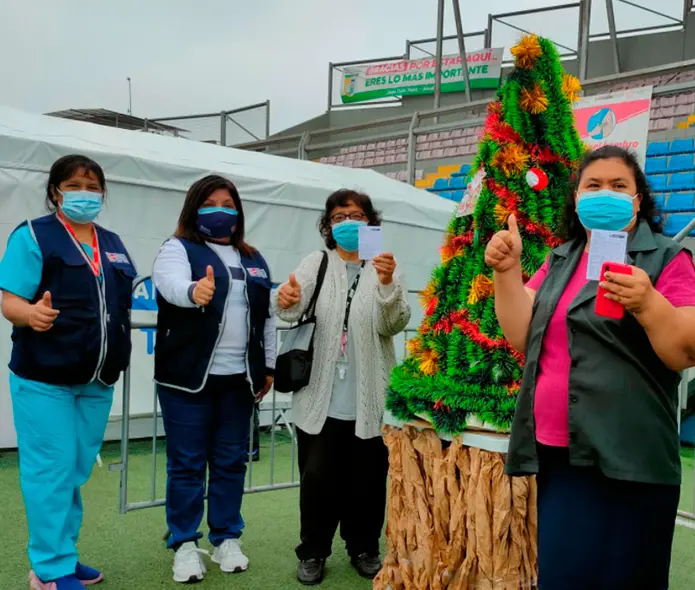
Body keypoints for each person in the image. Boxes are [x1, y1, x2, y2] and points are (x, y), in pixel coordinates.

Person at [492, 146, 695, 589]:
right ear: (576, 198)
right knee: (563, 577)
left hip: (630, 458)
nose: (605, 193)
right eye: (593, 185)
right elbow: (521, 332)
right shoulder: (561, 258)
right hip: (560, 452)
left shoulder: (665, 257)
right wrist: (507, 272)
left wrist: (648, 304)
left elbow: (691, 348)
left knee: (626, 578)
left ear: (637, 200)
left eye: (618, 185)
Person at [0, 155, 137, 590]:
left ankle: (63, 554)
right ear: (56, 191)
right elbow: (9, 300)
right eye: (75, 185)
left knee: (74, 471)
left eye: (93, 186)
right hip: (44, 379)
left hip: (97, 380)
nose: (85, 193)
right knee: (51, 471)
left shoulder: (112, 242)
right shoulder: (33, 235)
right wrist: (30, 314)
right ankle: (49, 569)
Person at [273, 189, 410, 585]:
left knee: (368, 481)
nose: (348, 222)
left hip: (370, 398)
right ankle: (313, 551)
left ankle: (364, 547)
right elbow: (290, 310)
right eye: (338, 217)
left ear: (371, 222)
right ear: (328, 226)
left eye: (356, 215)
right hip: (320, 395)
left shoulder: (385, 266)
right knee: (318, 480)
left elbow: (393, 324)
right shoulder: (316, 262)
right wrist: (286, 297)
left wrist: (387, 284)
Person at [152, 175, 277, 584]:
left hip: (238, 381)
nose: (220, 210)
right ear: (194, 207)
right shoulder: (177, 248)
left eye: (228, 203)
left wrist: (268, 367)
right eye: (210, 202)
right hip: (187, 380)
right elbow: (170, 284)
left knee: (230, 462)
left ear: (238, 212)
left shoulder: (253, 258)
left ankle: (226, 537)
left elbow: (266, 318)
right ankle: (185, 543)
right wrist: (193, 291)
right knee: (187, 464)